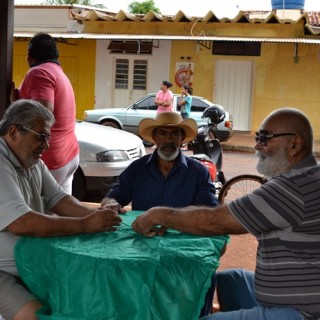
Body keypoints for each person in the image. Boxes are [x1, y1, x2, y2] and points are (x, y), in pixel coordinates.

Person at [132, 107, 320, 320]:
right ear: (155, 138)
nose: (257, 145)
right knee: (230, 279)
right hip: (292, 293)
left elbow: (217, 220)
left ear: (294, 144)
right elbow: (118, 193)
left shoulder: (292, 188)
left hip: (303, 311)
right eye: (258, 137)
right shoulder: (309, 176)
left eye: (265, 138)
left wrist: (160, 214)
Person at [0, 99, 122, 320]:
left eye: (48, 137)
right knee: (38, 317)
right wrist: (85, 225)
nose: (46, 145)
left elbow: (58, 198)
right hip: (4, 270)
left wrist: (98, 217)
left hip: (33, 263)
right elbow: (22, 222)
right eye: (41, 136)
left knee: (79, 300)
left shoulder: (31, 161)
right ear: (13, 132)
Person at [101, 111, 218, 212]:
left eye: (175, 134)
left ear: (182, 139)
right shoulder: (137, 169)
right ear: (154, 137)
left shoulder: (198, 172)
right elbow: (114, 197)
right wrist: (110, 204)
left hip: (181, 236)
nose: (168, 139)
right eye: (163, 133)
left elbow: (211, 207)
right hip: (143, 234)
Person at [11, 32, 79, 195]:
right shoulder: (58, 72)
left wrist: (14, 104)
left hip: (49, 159)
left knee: (35, 216)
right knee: (61, 216)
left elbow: (43, 114)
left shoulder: (39, 73)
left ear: (29, 56)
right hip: (68, 155)